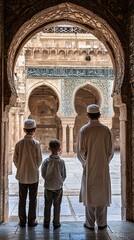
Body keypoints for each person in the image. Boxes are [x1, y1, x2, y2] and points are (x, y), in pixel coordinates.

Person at [77, 104, 114, 230]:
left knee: (90, 193)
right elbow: (110, 151)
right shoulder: (106, 130)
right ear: (99, 115)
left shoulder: (84, 130)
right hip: (103, 167)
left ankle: (90, 223)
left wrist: (87, 163)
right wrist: (104, 162)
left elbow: (81, 152)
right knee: (102, 193)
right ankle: (102, 223)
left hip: (90, 167)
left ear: (87, 116)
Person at [13, 119, 42, 227]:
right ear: (34, 130)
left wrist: (21, 168)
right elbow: (39, 160)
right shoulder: (36, 144)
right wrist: (34, 168)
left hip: (22, 176)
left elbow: (15, 160)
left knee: (22, 198)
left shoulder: (19, 144)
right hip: (33, 176)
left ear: (24, 129)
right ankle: (31, 220)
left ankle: (22, 220)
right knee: (32, 199)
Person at [41, 139, 66, 229]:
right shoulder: (61, 162)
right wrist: (59, 181)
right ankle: (56, 222)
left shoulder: (46, 161)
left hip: (48, 186)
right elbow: (64, 175)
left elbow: (43, 174)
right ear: (59, 149)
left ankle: (46, 222)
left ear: (48, 149)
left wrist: (48, 180)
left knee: (47, 205)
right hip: (58, 187)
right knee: (57, 205)